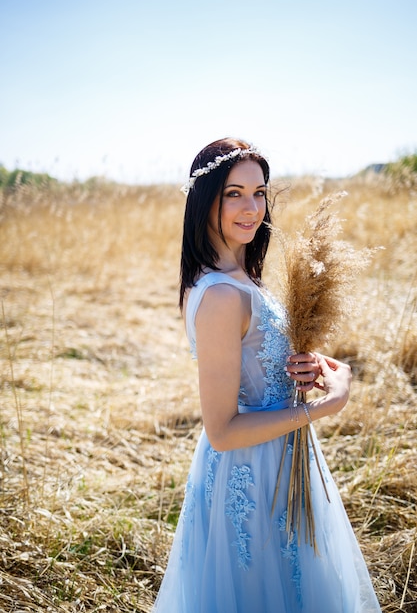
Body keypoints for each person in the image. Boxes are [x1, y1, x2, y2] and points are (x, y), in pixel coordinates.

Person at [153, 138, 381, 612]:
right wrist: (324, 406)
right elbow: (222, 431)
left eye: (259, 192)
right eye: (234, 193)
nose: (251, 207)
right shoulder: (219, 295)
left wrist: (302, 365)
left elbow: (254, 364)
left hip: (282, 461)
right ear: (205, 198)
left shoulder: (238, 277)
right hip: (251, 478)